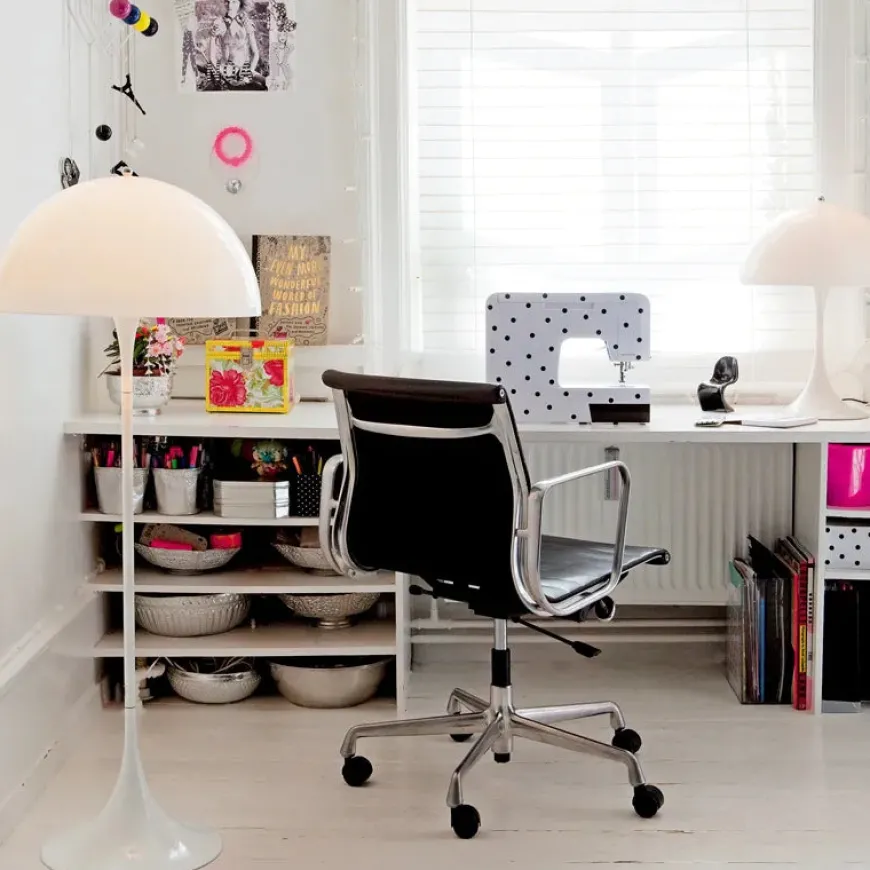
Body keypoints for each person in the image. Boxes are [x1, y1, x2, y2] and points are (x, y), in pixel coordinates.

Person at [205, 0, 264, 90]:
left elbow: (256, 53)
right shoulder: (218, 23)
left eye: (234, 2)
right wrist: (221, 74)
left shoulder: (246, 23)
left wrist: (249, 74)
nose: (230, 5)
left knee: (264, 83)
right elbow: (211, 57)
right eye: (227, 1)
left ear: (240, 3)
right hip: (224, 71)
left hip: (244, 71)